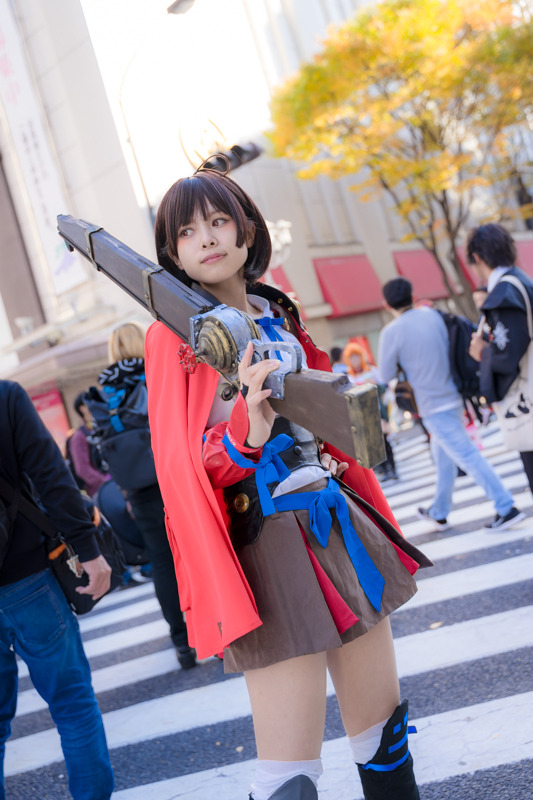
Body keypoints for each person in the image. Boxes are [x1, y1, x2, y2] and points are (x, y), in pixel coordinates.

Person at [145, 163, 432, 800]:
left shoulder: (279, 310)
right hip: (265, 546)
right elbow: (184, 469)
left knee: (383, 738)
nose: (208, 238)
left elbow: (335, 420)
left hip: (333, 519)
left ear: (247, 230)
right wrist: (247, 429)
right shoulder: (171, 340)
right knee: (289, 778)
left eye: (219, 221)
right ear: (172, 254)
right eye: (188, 232)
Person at [0, 379, 114, 800]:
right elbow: (51, 475)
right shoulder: (6, 398)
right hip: (30, 578)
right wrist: (88, 549)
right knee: (72, 704)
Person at [378, 277, 525, 532]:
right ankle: (439, 511)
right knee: (443, 455)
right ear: (412, 294)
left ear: (386, 304)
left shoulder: (391, 332)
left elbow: (385, 373)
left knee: (467, 455)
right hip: (453, 394)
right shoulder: (433, 316)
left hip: (430, 403)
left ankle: (506, 506)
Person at [96, 322, 196, 669]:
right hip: (174, 474)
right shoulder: (155, 370)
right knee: (195, 549)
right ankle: (212, 627)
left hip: (138, 487)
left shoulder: (104, 392)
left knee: (162, 563)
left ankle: (181, 642)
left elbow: (100, 449)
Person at [467, 223, 533, 495]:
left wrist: (482, 352)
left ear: (477, 258)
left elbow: (507, 355)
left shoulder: (504, 293)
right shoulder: (522, 281)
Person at [343, 343, 398, 481]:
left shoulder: (372, 371)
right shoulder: (348, 376)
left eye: (356, 357)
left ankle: (393, 468)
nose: (354, 360)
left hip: (377, 411)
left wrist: (374, 384)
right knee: (373, 445)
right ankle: (385, 469)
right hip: (361, 415)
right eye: (351, 358)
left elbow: (384, 389)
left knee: (384, 441)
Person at [66, 393, 110, 497]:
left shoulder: (101, 427)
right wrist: (106, 483)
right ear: (82, 408)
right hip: (102, 493)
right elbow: (82, 469)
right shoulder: (79, 437)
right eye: (90, 401)